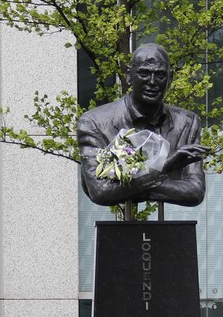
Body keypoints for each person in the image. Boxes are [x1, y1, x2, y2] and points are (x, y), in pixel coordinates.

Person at [77, 43, 211, 208]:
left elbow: (195, 192)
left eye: (160, 75)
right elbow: (100, 191)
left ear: (170, 78)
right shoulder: (93, 122)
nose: (152, 82)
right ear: (128, 75)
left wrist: (127, 188)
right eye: (144, 73)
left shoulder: (187, 122)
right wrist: (164, 168)